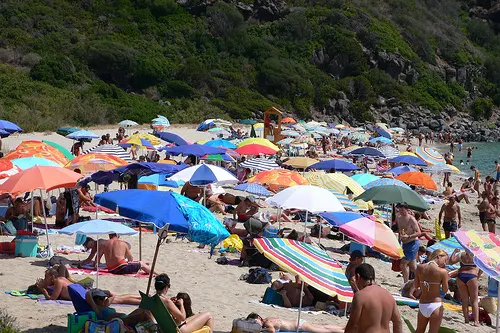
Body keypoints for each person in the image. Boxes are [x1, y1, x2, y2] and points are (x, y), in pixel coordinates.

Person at [345, 263, 402, 333]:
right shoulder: (388, 295)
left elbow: (352, 324)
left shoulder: (360, 296)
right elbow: (398, 322)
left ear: (358, 277)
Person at [414, 249, 449, 333]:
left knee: (419, 330)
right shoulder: (442, 271)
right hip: (435, 304)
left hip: (422, 304)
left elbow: (416, 286)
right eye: (445, 260)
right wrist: (445, 278)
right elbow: (445, 290)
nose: (445, 263)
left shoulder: (419, 267)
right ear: (438, 257)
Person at [449, 249, 481, 326]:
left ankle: (466, 319)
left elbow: (451, 261)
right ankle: (476, 321)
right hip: (472, 276)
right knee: (474, 300)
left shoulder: (461, 255)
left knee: (464, 300)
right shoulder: (476, 255)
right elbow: (482, 268)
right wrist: (478, 276)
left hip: (461, 276)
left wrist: (454, 252)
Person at [396, 203, 421, 283]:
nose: (401, 212)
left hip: (413, 243)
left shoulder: (411, 219)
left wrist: (409, 236)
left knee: (403, 265)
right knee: (413, 267)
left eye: (403, 210)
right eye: (400, 210)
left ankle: (405, 283)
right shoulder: (399, 217)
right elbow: (400, 231)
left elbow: (419, 232)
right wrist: (398, 242)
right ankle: (422, 280)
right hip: (405, 243)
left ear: (407, 209)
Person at [247, 313, 343, 333]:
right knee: (324, 327)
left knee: (325, 330)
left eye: (256, 321)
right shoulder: (268, 318)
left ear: (259, 318)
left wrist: (260, 330)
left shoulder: (267, 323)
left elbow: (272, 331)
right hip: (298, 322)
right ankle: (344, 327)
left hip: (299, 326)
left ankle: (345, 331)